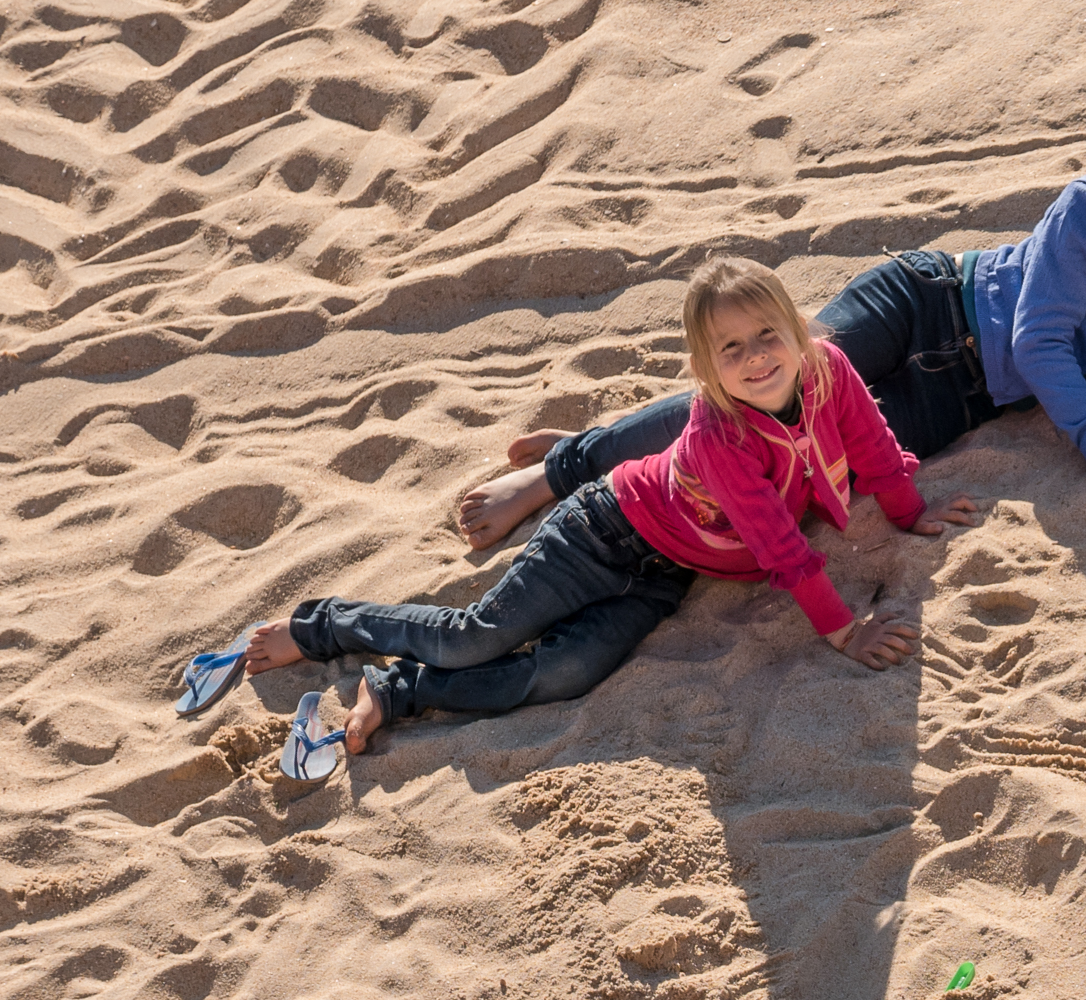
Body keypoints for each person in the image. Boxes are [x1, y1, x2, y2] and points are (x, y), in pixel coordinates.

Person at [455, 91, 1086, 547]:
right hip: (928, 305)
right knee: (766, 393)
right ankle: (561, 472)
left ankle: (610, 445)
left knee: (796, 463)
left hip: (964, 402)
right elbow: (1038, 339)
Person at [230, 258, 980, 752]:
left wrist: (909, 509)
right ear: (703, 367)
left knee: (568, 674)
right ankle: (321, 625)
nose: (756, 358)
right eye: (730, 350)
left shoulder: (830, 368)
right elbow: (783, 550)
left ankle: (400, 690)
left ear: (798, 330)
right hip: (602, 531)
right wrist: (844, 632)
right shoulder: (721, 434)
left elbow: (874, 444)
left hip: (665, 574)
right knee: (475, 636)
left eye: (767, 336)